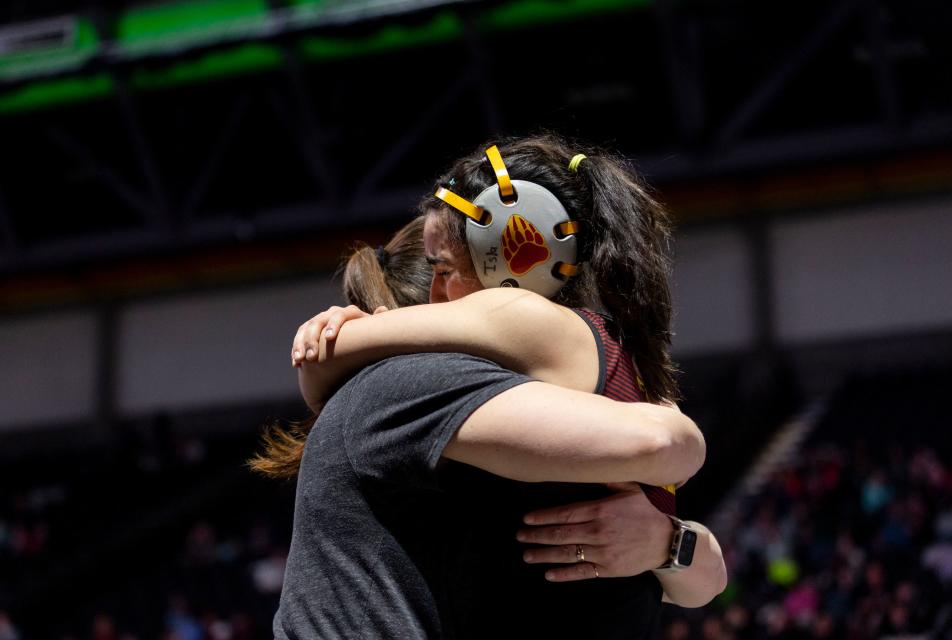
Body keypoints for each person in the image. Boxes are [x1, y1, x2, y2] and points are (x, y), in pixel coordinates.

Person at [258, 136, 720, 638]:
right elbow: (705, 580)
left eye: (446, 271)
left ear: (508, 257)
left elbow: (671, 446)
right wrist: (669, 541)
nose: (440, 303)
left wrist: (346, 334)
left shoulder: (515, 324)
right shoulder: (605, 361)